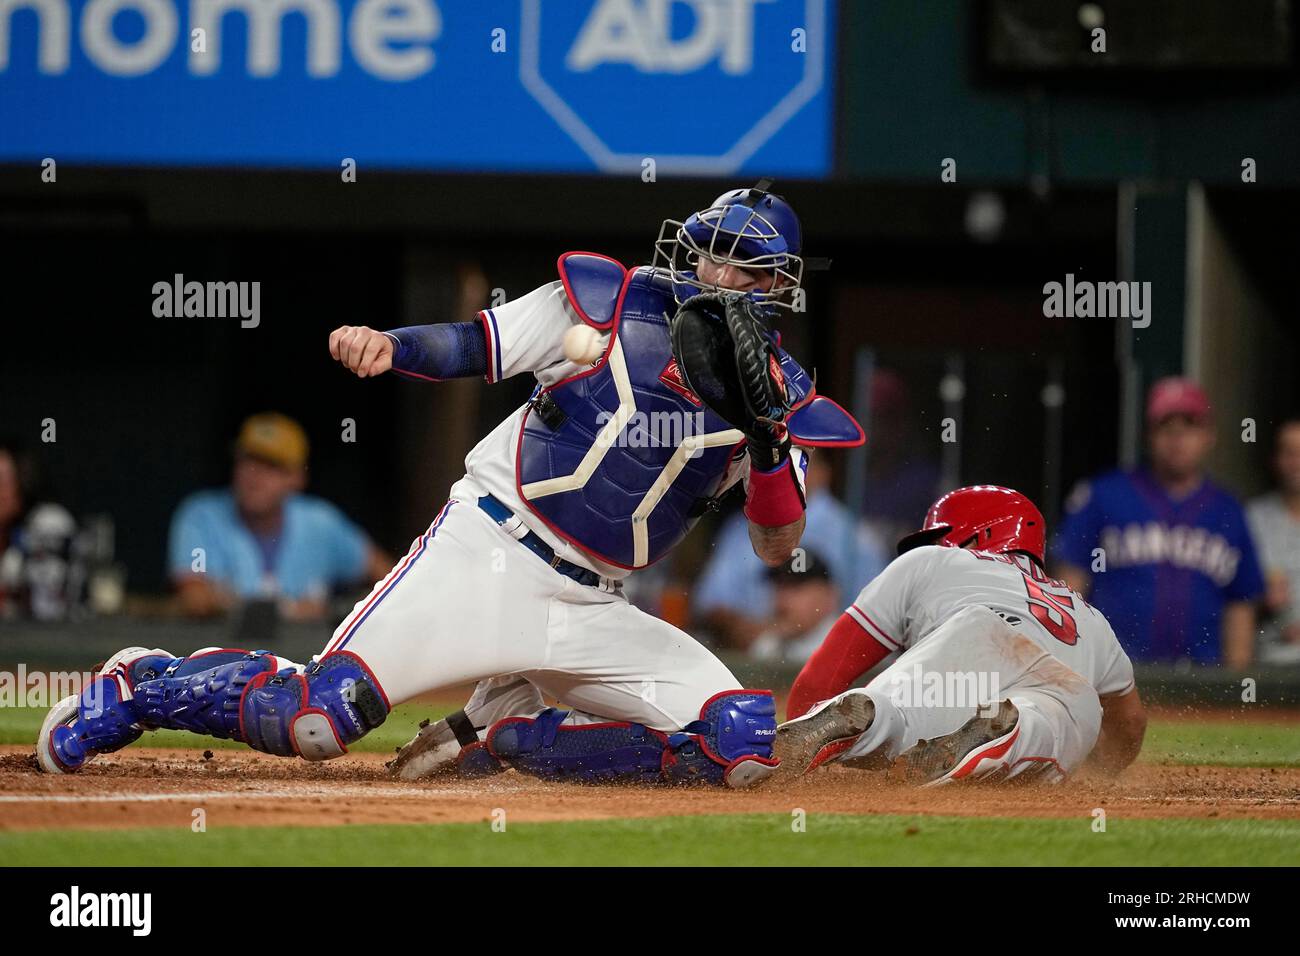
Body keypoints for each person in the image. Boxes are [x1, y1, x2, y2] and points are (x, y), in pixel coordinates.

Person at [38, 184, 864, 790]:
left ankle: (506, 735)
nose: (716, 273)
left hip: (600, 606)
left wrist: (764, 441)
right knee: (319, 717)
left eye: (741, 265)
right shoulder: (613, 304)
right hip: (491, 551)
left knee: (739, 742)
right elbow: (475, 345)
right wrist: (389, 345)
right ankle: (143, 684)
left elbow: (777, 543)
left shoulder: (784, 398)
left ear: (777, 286)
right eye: (710, 250)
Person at [773, 486, 1146, 785]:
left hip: (964, 643)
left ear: (977, 535)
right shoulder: (1091, 617)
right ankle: (1011, 731)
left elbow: (822, 676)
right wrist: (1100, 771)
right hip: (1058, 686)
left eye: (940, 536)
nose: (934, 546)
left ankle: (873, 714)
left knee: (901, 715)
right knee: (1056, 719)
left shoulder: (927, 563)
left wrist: (799, 737)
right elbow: (1129, 725)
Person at [1050, 378, 1264, 669]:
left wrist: (1236, 682)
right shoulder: (1103, 495)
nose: (1177, 438)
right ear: (1148, 435)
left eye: (1189, 426)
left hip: (1204, 680)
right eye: (1166, 427)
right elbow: (1068, 589)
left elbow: (1240, 604)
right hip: (1116, 674)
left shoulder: (1228, 510)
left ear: (1208, 436)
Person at [166, 412, 392, 621]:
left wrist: (342, 609)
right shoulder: (203, 515)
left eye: (271, 466)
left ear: (296, 478)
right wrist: (288, 610)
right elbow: (194, 598)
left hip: (306, 659)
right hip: (226, 659)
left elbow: (391, 579)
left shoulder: (320, 523)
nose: (254, 477)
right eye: (249, 461)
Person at [693, 454, 887, 650]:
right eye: (777, 463)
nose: (783, 473)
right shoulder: (739, 528)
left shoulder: (856, 537)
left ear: (823, 473)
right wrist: (760, 632)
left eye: (796, 462)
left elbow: (877, 623)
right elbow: (711, 606)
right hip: (755, 655)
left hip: (833, 653)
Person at [1246, 416, 1300, 664]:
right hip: (1269, 665)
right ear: (1275, 460)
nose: (1296, 462)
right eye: (1289, 453)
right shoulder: (1252, 518)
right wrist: (1261, 599)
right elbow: (1231, 599)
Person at [747, 549, 841, 664]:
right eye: (779, 586)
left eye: (795, 587)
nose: (783, 600)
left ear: (829, 596)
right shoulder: (767, 645)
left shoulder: (846, 645)